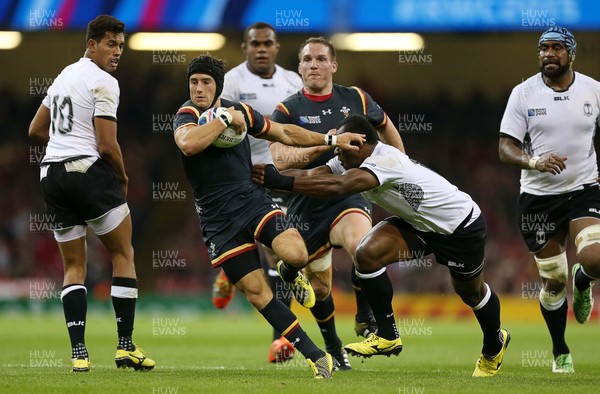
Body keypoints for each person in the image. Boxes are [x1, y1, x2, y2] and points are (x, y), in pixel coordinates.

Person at [253, 114, 510, 377]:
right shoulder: (349, 159)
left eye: (342, 149)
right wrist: (270, 176)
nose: (337, 156)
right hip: (418, 225)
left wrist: (279, 181)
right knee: (367, 254)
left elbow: (338, 187)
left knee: (470, 293)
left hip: (459, 226)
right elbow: (313, 175)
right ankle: (387, 334)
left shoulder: (385, 159)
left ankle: (494, 343)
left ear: (360, 144)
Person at [173, 54, 364, 379]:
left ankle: (290, 273)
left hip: (252, 200)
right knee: (258, 293)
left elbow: (285, 133)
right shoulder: (187, 114)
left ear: (217, 84)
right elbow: (189, 145)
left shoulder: (242, 112)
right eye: (194, 82)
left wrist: (331, 139)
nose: (199, 87)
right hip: (217, 222)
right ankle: (315, 356)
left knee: (296, 254)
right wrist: (223, 120)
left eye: (206, 81)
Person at [27, 15, 155, 372]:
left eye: (121, 46)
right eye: (111, 44)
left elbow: (35, 129)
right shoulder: (105, 82)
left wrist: (64, 145)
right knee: (123, 254)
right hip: (88, 171)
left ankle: (79, 355)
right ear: (92, 44)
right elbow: (107, 144)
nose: (117, 53)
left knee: (73, 266)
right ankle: (125, 346)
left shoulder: (64, 75)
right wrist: (124, 177)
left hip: (51, 174)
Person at [269, 36, 404, 370]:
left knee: (363, 245)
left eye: (320, 59)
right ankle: (334, 346)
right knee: (320, 288)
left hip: (347, 193)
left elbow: (386, 126)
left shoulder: (356, 98)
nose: (313, 65)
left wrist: (402, 165)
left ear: (333, 65)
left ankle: (365, 316)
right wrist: (327, 144)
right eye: (306, 60)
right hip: (306, 202)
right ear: (299, 67)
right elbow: (280, 161)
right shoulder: (287, 109)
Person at [499, 26, 600, 374]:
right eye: (543, 48)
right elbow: (505, 148)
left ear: (571, 53)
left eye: (557, 48)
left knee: (596, 258)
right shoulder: (523, 93)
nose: (548, 54)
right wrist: (534, 161)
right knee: (554, 282)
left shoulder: (593, 90)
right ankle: (560, 350)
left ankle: (585, 278)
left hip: (583, 190)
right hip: (539, 200)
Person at [214, 21, 304, 364]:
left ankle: (280, 339)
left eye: (268, 43)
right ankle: (228, 270)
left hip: (280, 177)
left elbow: (298, 129)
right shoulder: (233, 82)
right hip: (241, 178)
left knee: (279, 256)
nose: (262, 48)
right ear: (245, 48)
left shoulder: (292, 82)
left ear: (277, 47)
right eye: (256, 44)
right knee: (267, 253)